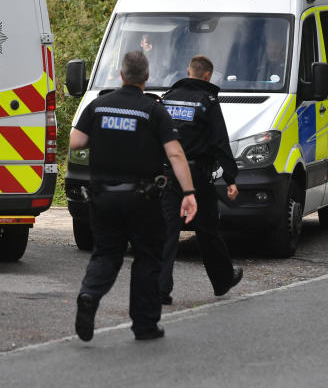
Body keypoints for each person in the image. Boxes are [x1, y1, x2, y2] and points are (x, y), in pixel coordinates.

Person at [70, 50, 198, 342]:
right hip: (142, 199)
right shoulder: (153, 110)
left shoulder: (99, 106)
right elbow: (175, 152)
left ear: (122, 75)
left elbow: (76, 141)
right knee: (147, 258)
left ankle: (89, 295)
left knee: (105, 253)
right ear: (147, 78)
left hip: (102, 197)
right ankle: (144, 325)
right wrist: (189, 192)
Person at [159, 55, 242, 304]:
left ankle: (161, 288)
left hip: (168, 173)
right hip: (196, 177)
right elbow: (219, 142)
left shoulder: (168, 98)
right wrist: (230, 178)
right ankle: (223, 279)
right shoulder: (207, 101)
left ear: (188, 71)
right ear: (207, 76)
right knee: (208, 231)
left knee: (167, 231)